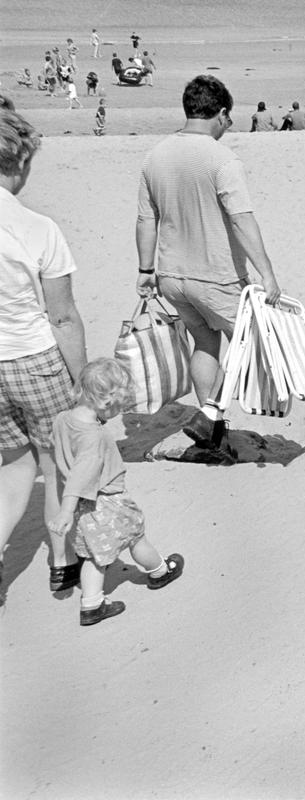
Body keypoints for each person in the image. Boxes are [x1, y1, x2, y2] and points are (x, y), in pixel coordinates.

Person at [134, 75, 283, 455]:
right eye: (228, 120)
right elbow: (241, 219)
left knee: (204, 342)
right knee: (250, 346)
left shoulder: (156, 156)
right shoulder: (223, 159)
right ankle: (212, 413)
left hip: (171, 276)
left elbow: (145, 219)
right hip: (215, 276)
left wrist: (145, 270)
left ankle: (213, 424)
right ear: (221, 113)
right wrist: (267, 273)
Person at [0, 107, 88, 598]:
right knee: (56, 464)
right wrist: (82, 379)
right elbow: (62, 317)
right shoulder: (37, 228)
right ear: (17, 161)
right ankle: (62, 559)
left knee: (13, 466)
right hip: (34, 359)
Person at [48, 359, 184, 626]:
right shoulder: (93, 437)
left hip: (85, 509)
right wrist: (65, 509)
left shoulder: (62, 419)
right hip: (108, 500)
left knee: (94, 555)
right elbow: (81, 475)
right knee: (136, 537)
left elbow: (57, 447)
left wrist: (70, 509)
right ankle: (159, 571)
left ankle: (91, 604)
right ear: (106, 402)